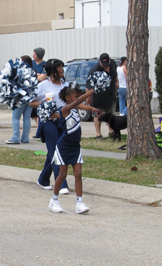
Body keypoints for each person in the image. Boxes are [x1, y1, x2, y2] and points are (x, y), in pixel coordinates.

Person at [48, 85, 95, 214]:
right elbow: (78, 102)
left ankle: (79, 203)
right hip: (64, 146)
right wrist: (90, 92)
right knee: (62, 174)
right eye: (76, 97)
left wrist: (93, 108)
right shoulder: (65, 109)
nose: (78, 99)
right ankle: (54, 200)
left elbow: (81, 105)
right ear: (68, 98)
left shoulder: (74, 108)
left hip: (75, 146)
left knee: (78, 174)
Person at [31, 59, 69, 193]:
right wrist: (45, 105)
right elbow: (31, 102)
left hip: (63, 122)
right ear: (51, 70)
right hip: (48, 121)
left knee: (54, 151)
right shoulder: (43, 85)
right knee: (55, 150)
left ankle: (43, 179)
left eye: (62, 67)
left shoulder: (66, 85)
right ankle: (62, 183)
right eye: (59, 67)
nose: (61, 69)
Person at [6, 54, 34, 144]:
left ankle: (15, 138)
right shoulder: (32, 71)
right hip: (30, 97)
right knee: (27, 118)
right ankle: (25, 138)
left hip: (20, 98)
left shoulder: (20, 71)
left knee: (15, 118)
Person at [89, 53, 118, 140]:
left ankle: (111, 132)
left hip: (110, 94)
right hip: (98, 97)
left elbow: (115, 74)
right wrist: (89, 97)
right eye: (103, 64)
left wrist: (117, 82)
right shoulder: (95, 70)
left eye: (107, 64)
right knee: (97, 115)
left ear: (109, 60)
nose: (105, 66)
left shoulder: (113, 64)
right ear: (99, 61)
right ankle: (98, 134)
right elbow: (89, 85)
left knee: (110, 113)